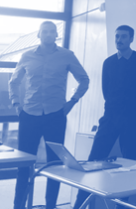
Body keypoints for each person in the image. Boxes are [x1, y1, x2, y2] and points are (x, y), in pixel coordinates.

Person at [9, 21, 89, 209]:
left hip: (55, 116)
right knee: (24, 164)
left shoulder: (67, 55)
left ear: (56, 35)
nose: (48, 34)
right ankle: (18, 206)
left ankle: (50, 206)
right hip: (29, 115)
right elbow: (14, 82)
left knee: (55, 165)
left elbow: (84, 80)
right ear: (39, 34)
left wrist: (72, 101)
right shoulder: (27, 56)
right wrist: (17, 105)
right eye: (44, 31)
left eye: (52, 31)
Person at [73, 25, 136, 209]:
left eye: (123, 36)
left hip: (131, 119)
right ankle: (79, 205)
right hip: (109, 118)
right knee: (92, 161)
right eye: (117, 37)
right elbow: (106, 91)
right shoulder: (108, 62)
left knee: (129, 165)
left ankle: (123, 206)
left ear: (131, 39)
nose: (119, 40)